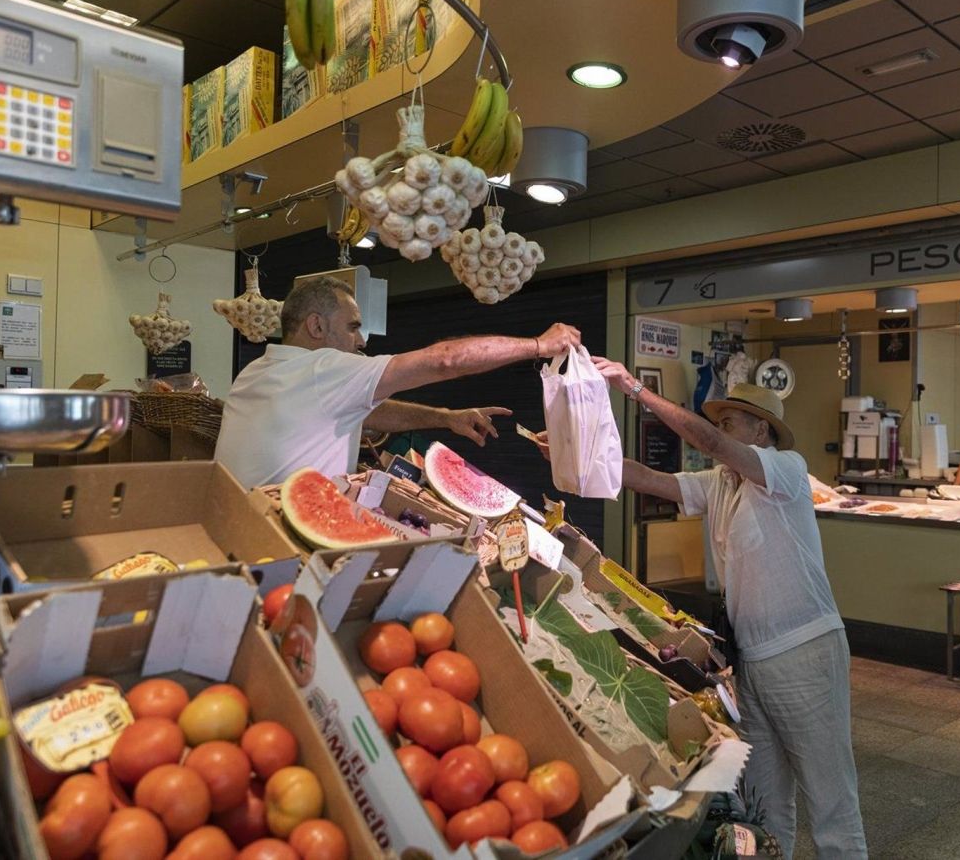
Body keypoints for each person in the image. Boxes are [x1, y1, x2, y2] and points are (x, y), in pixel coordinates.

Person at [545, 363, 866, 859]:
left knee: (831, 803)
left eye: (730, 421)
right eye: (720, 421)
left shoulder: (786, 469)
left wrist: (636, 390)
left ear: (761, 431)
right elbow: (649, 478)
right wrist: (574, 453)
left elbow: (710, 443)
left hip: (805, 653)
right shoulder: (720, 482)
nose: (719, 430)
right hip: (751, 661)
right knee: (764, 802)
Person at [215, 275, 579, 489]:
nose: (361, 341)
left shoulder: (258, 371)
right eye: (353, 327)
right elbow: (446, 359)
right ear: (316, 326)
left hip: (236, 526)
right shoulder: (324, 368)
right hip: (287, 545)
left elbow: (369, 412)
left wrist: (446, 417)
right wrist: (539, 345)